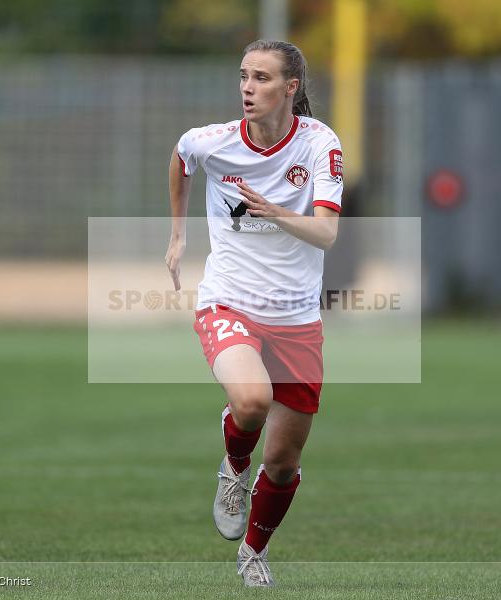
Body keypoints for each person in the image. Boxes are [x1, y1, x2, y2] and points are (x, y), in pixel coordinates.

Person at [164, 39, 343, 588]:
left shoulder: (318, 143)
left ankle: (253, 552)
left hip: (295, 317)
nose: (248, 87)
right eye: (244, 76)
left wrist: (275, 213)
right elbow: (181, 156)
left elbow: (327, 233)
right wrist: (177, 233)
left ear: (290, 88)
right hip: (229, 299)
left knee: (284, 461)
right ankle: (234, 466)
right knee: (251, 399)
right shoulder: (214, 141)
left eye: (262, 78)